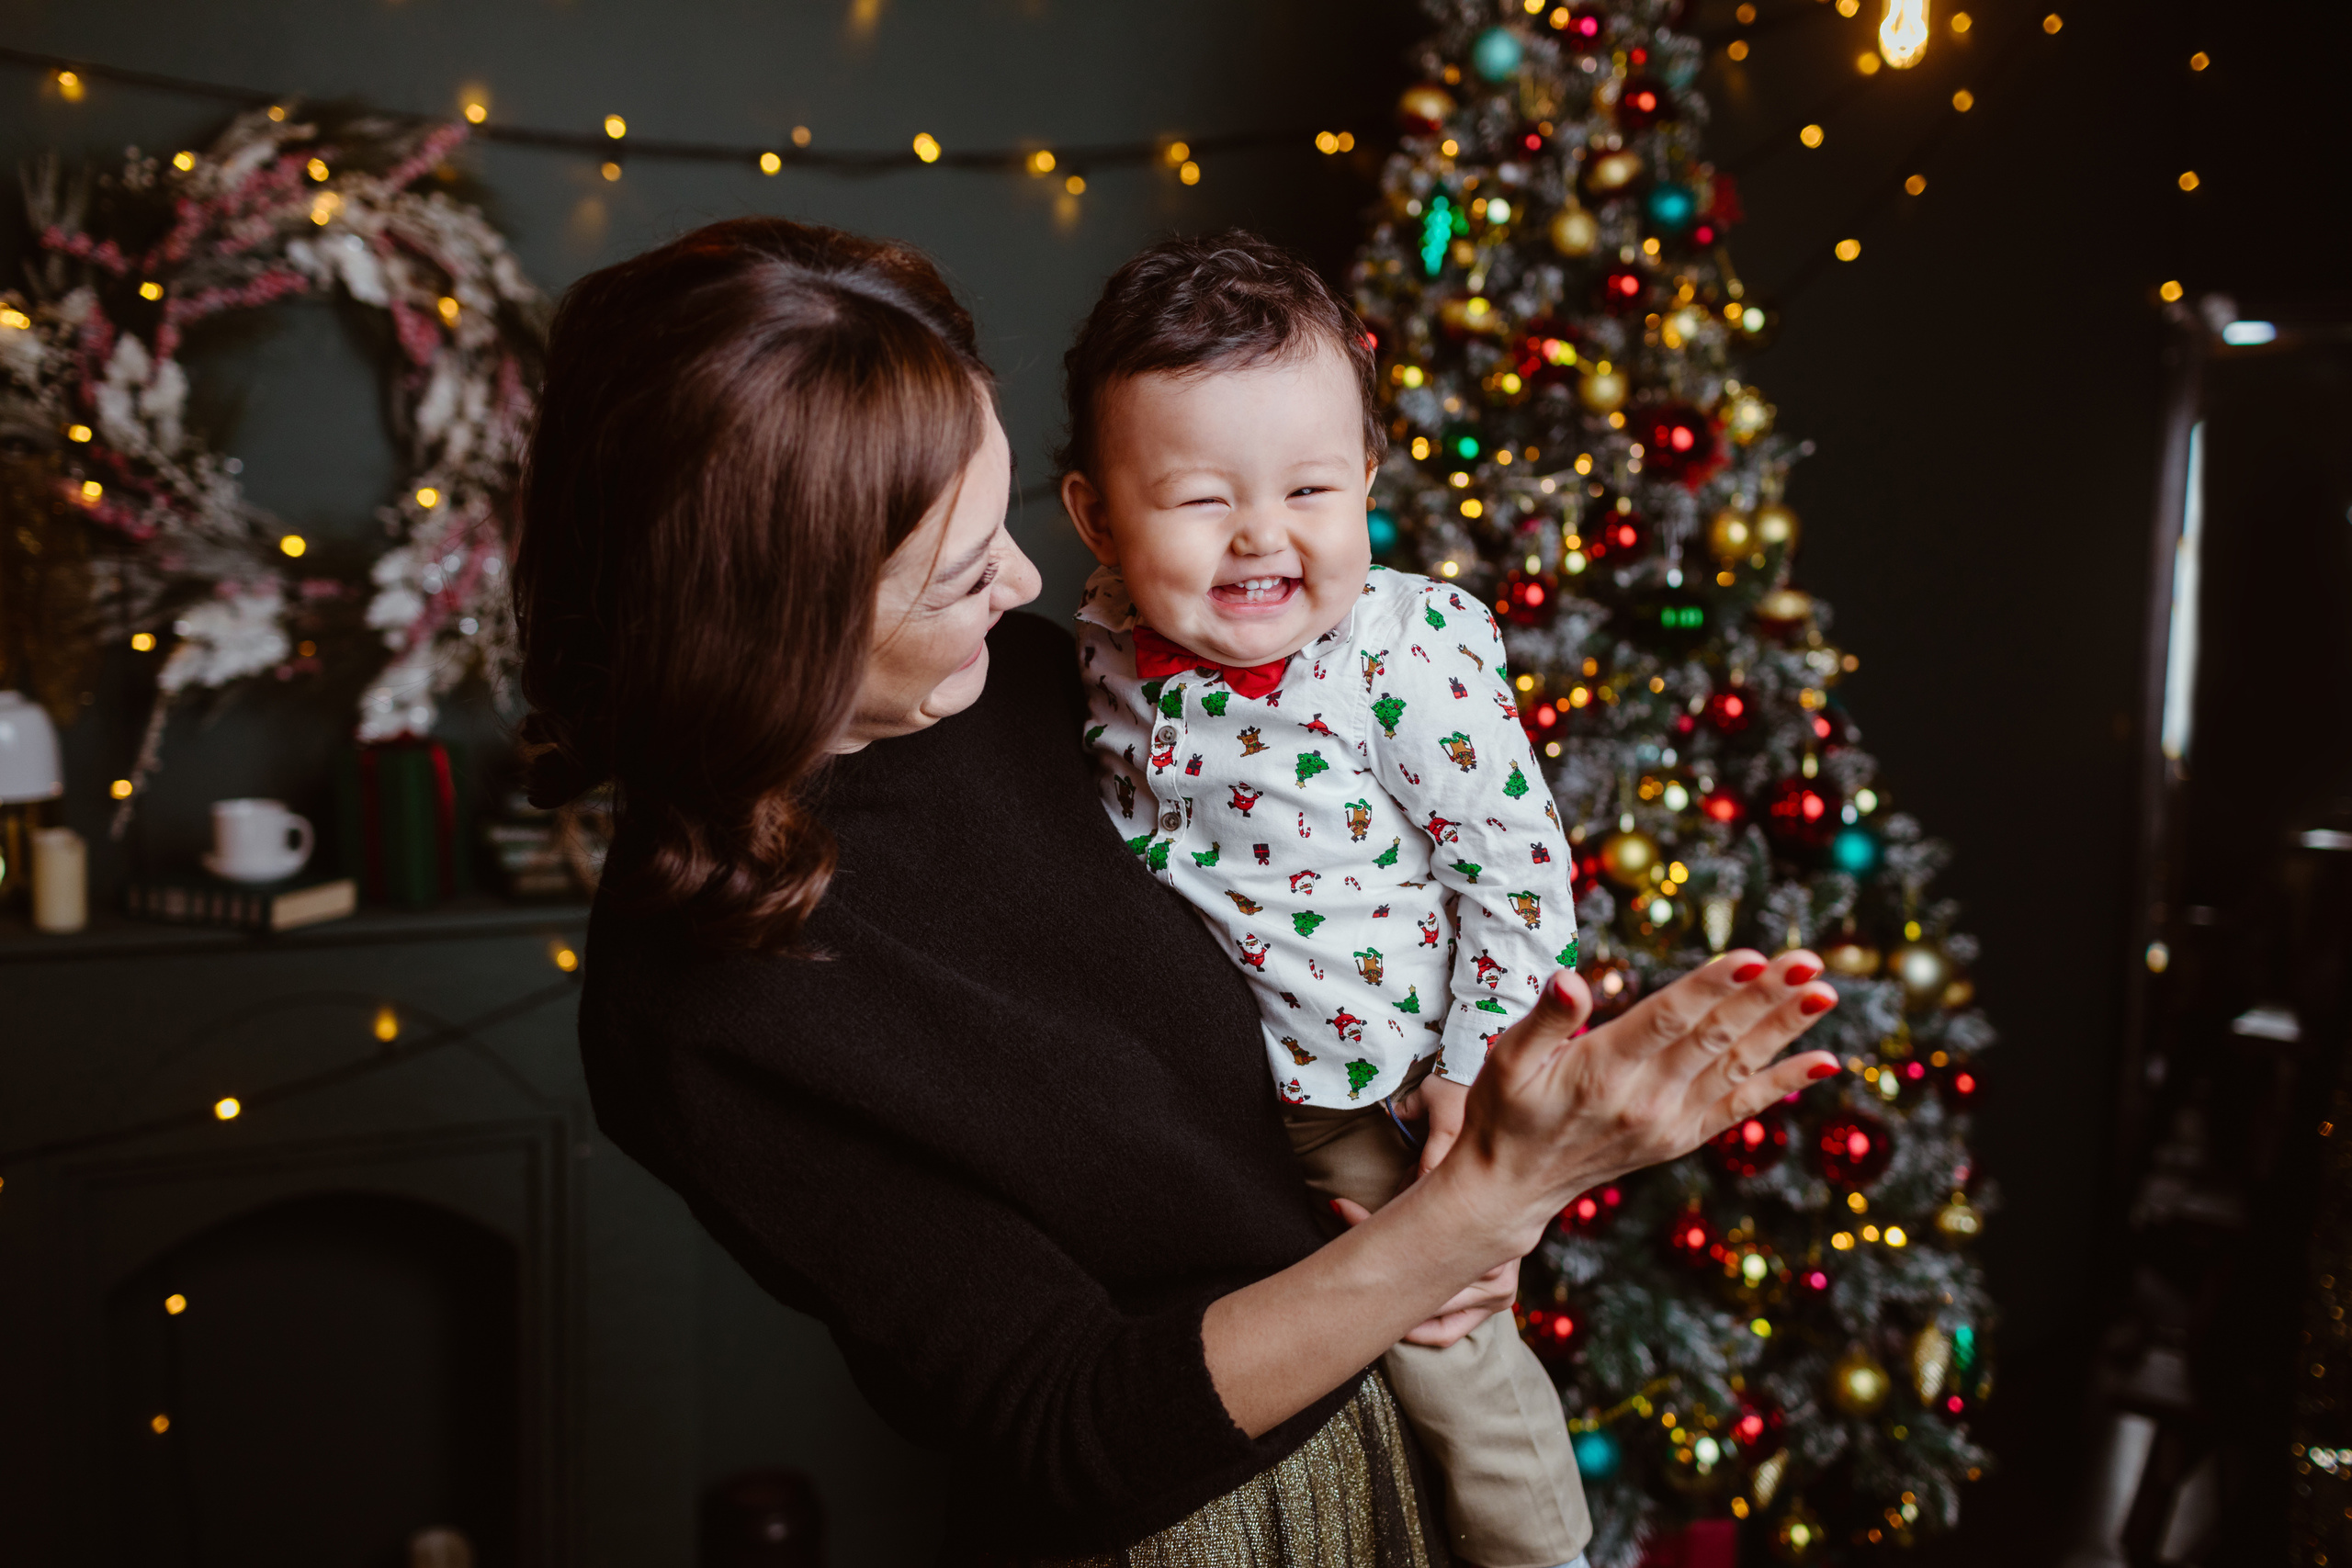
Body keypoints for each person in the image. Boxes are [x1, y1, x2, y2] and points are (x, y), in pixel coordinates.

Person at [513, 215, 1842, 1567]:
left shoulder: (1043, 685)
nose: (1030, 587)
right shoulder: (697, 1003)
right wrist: (1467, 1217)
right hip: (1216, 1524)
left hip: (1412, 1426)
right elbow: (1070, 1421)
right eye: (966, 572)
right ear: (772, 618)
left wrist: (1463, 1143)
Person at [1060, 232, 1589, 1568]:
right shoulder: (1101, 644)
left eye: (1309, 487)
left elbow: (1516, 878)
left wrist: (1474, 1090)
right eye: (1196, 499)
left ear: (1364, 477)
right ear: (1096, 518)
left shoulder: (1404, 660)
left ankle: (1548, 1557)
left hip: (1375, 1090)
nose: (1261, 537)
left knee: (1444, 1353)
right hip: (1198, 1099)